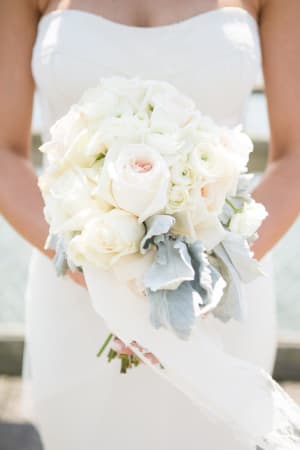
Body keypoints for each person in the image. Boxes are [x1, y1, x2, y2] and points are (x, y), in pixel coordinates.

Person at [0, 0, 299, 448]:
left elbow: (294, 155)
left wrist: (207, 274)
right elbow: (5, 152)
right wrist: (103, 270)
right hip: (76, 286)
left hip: (218, 295)